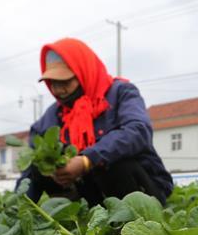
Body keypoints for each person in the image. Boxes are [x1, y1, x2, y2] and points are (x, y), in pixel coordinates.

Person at [16, 38, 173, 205]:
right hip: (92, 194)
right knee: (39, 166)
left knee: (114, 162)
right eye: (52, 83)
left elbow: (138, 131)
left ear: (84, 72)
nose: (58, 89)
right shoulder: (54, 114)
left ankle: (130, 224)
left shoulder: (122, 93)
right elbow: (32, 164)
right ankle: (79, 218)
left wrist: (87, 160)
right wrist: (17, 207)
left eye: (65, 81)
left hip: (143, 190)